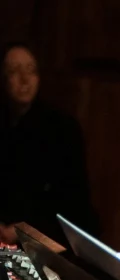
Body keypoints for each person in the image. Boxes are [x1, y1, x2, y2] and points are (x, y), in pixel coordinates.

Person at [0, 43, 99, 244]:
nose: (24, 79)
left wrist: (24, 230)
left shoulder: (61, 128)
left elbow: (72, 205)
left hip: (50, 239)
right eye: (14, 71)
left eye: (31, 70)